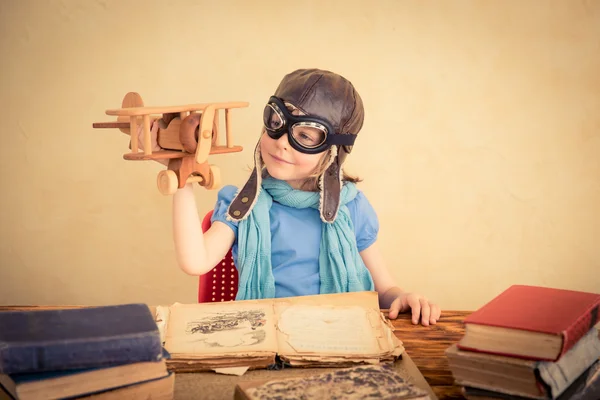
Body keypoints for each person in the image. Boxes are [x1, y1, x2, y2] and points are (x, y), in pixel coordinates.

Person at [144, 68, 441, 326]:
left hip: (339, 338)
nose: (282, 142)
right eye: (276, 122)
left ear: (333, 150)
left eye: (307, 136)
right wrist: (181, 177)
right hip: (266, 341)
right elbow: (195, 262)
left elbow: (385, 289)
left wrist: (403, 297)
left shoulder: (351, 208)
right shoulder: (242, 205)